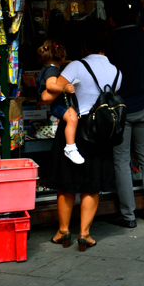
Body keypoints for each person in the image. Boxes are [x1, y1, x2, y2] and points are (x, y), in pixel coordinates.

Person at [41, 19, 123, 251]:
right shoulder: (117, 72)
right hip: (100, 131)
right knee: (91, 184)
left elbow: (50, 93)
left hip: (74, 128)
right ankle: (85, 234)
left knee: (67, 184)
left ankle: (63, 231)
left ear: (84, 44)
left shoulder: (76, 66)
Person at [106, 0, 144, 228]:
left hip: (120, 109)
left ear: (112, 20)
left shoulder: (111, 41)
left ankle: (128, 216)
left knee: (121, 161)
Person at [36, 39, 82, 164]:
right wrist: (64, 88)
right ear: (62, 57)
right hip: (58, 103)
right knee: (72, 119)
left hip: (56, 103)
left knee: (69, 119)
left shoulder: (46, 69)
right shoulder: (52, 70)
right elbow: (50, 86)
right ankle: (70, 147)